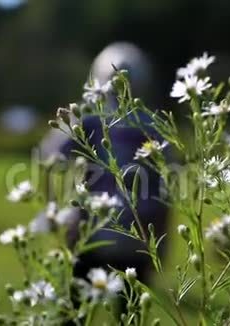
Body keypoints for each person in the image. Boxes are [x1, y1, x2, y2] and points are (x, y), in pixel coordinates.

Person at [37, 42, 169, 310]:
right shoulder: (149, 124)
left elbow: (48, 157)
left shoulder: (98, 119)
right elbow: (166, 190)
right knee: (115, 312)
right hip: (114, 232)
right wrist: (56, 213)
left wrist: (55, 212)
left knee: (85, 311)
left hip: (119, 235)